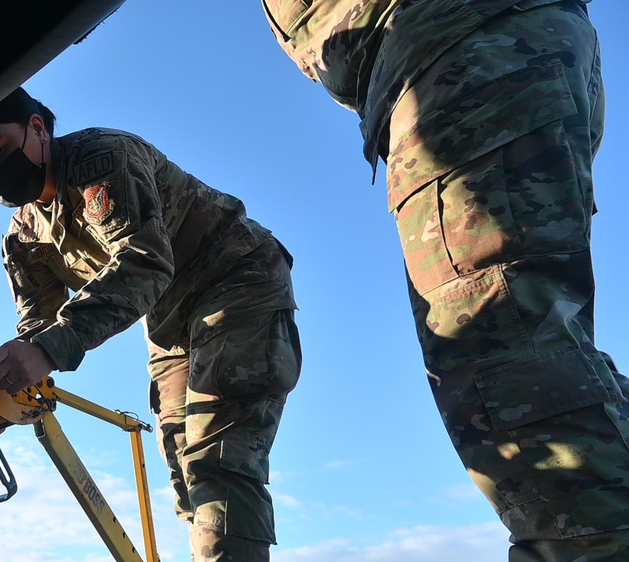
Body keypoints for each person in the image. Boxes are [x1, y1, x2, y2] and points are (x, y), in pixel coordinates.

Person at [262, 0, 629, 560]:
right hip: (486, 48)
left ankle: (589, 543)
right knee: (534, 334)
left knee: (495, 338)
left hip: (464, 52)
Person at [0, 87, 301, 561]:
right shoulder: (23, 239)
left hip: (237, 280)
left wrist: (47, 349)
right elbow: (37, 331)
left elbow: (144, 263)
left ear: (36, 128)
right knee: (183, 466)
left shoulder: (101, 158)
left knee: (219, 459)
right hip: (170, 323)